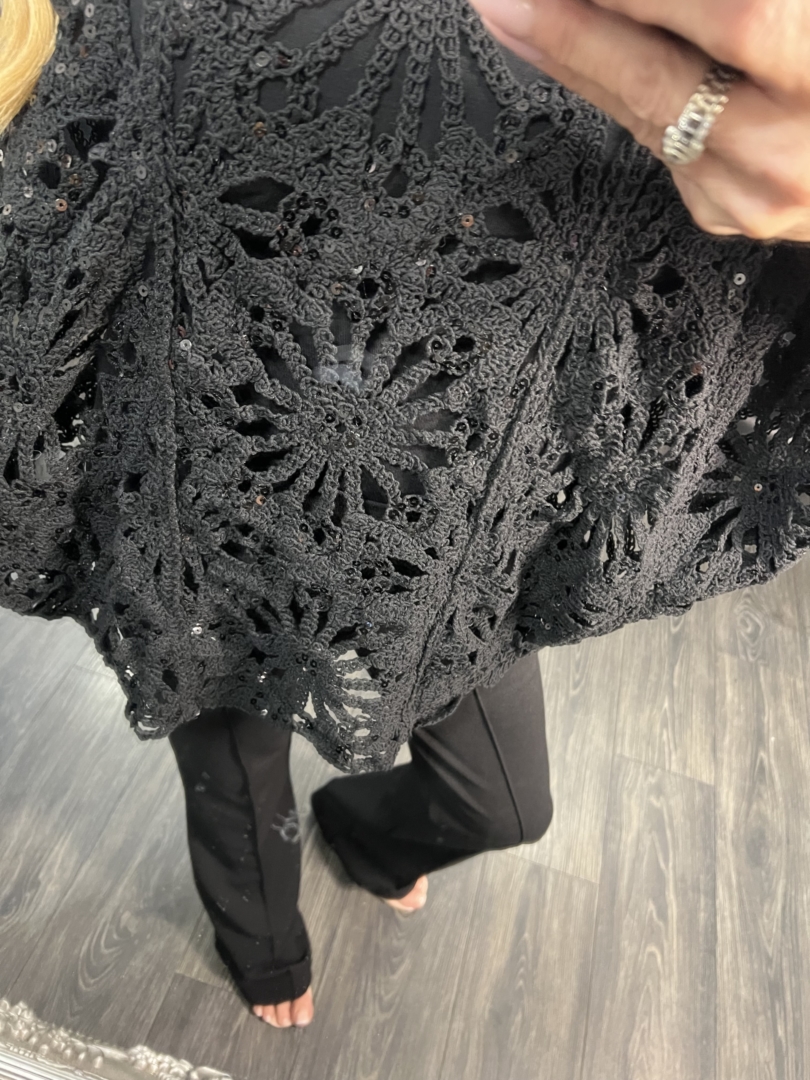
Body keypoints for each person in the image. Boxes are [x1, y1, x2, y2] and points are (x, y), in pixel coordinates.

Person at [0, 0, 808, 1032]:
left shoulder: (678, 53)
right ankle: (262, 946)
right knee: (233, 779)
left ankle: (367, 833)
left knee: (504, 805)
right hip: (201, 521)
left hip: (449, 567)